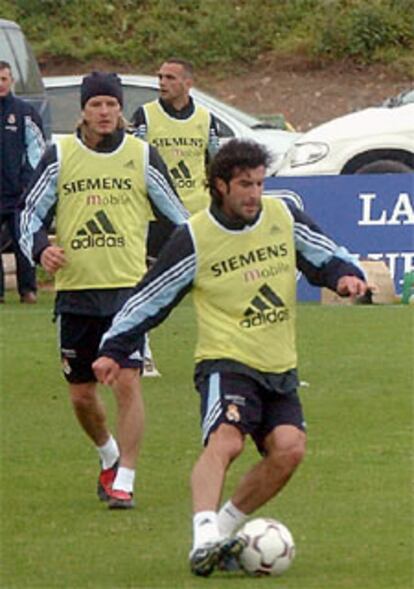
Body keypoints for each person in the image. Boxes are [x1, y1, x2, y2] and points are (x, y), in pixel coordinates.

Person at [92, 139, 369, 572]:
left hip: (279, 363)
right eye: (244, 184)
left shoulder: (282, 216)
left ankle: (223, 532)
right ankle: (202, 535)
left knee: (290, 450)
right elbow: (151, 296)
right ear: (220, 185)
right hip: (226, 361)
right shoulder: (196, 237)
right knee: (227, 439)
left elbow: (325, 255)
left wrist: (346, 276)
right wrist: (114, 347)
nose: (254, 194)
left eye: (259, 183)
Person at [19, 71, 188, 509]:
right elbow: (28, 215)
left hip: (128, 294)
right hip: (76, 291)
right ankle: (109, 455)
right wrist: (40, 251)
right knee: (81, 393)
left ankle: (125, 479)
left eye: (112, 104)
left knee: (127, 383)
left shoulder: (141, 155)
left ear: (119, 109)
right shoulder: (61, 155)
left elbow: (180, 221)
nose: (105, 112)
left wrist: (168, 271)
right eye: (96, 104)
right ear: (84, 110)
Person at [132, 58, 219, 258]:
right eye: (160, 77)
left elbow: (216, 164)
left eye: (170, 78)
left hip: (196, 213)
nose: (162, 82)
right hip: (156, 216)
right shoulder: (145, 116)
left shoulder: (206, 119)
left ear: (188, 83)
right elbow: (132, 163)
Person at [0, 60, 45, 304]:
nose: (0, 84)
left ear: (11, 81)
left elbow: (36, 149)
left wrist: (28, 182)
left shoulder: (24, 112)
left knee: (23, 242)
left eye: (4, 79)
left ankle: (28, 291)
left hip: (19, 192)